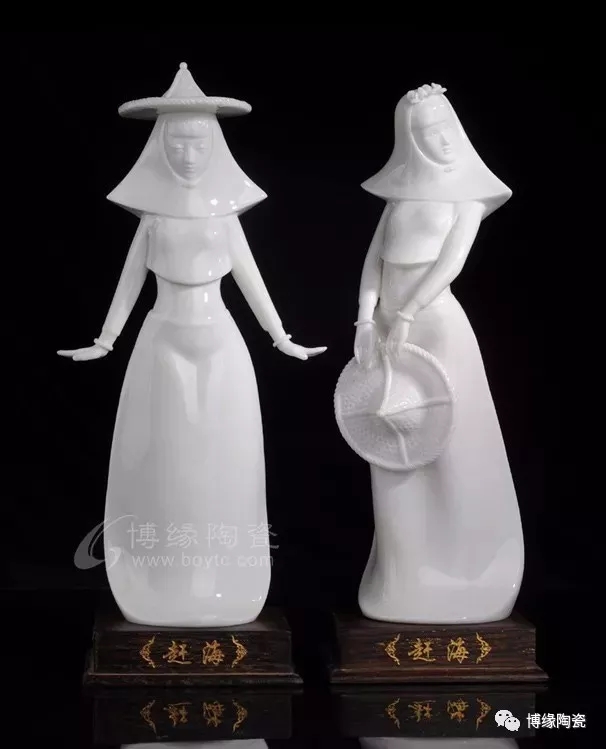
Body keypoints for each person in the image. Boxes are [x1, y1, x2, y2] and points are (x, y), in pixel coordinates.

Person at [58, 63, 325, 627]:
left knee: (223, 456)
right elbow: (130, 280)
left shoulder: (224, 216)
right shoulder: (154, 217)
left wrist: (281, 337)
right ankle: (161, 575)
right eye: (177, 143)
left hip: (220, 342)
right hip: (161, 340)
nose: (188, 154)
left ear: (215, 147)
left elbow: (250, 279)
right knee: (165, 454)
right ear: (160, 146)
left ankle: (222, 574)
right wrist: (106, 340)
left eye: (199, 143)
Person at [354, 83, 523, 623]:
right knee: (394, 440)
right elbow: (375, 261)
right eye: (428, 133)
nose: (442, 141)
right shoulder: (399, 200)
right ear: (412, 141)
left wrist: (407, 313)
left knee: (449, 442)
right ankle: (405, 571)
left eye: (445, 128)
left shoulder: (466, 198)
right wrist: (367, 317)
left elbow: (451, 263)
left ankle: (469, 566)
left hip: (434, 328)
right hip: (388, 330)